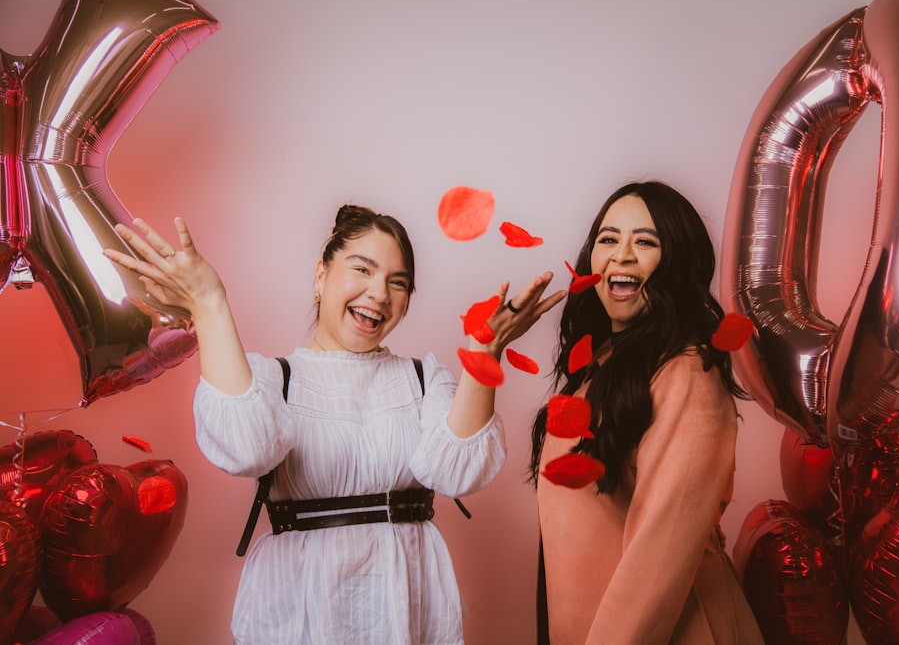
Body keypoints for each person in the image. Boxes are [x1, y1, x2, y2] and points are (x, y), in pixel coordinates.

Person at [104, 204, 566, 645]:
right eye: (362, 269)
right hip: (300, 604)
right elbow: (244, 448)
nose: (380, 294)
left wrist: (484, 354)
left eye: (398, 282)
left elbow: (458, 473)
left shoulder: (425, 380)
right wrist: (209, 302)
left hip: (406, 599)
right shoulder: (271, 378)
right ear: (321, 274)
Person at [529, 181, 764, 644]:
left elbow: (660, 554)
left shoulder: (687, 371)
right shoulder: (602, 365)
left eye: (646, 241)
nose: (622, 255)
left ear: (677, 262)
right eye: (609, 238)